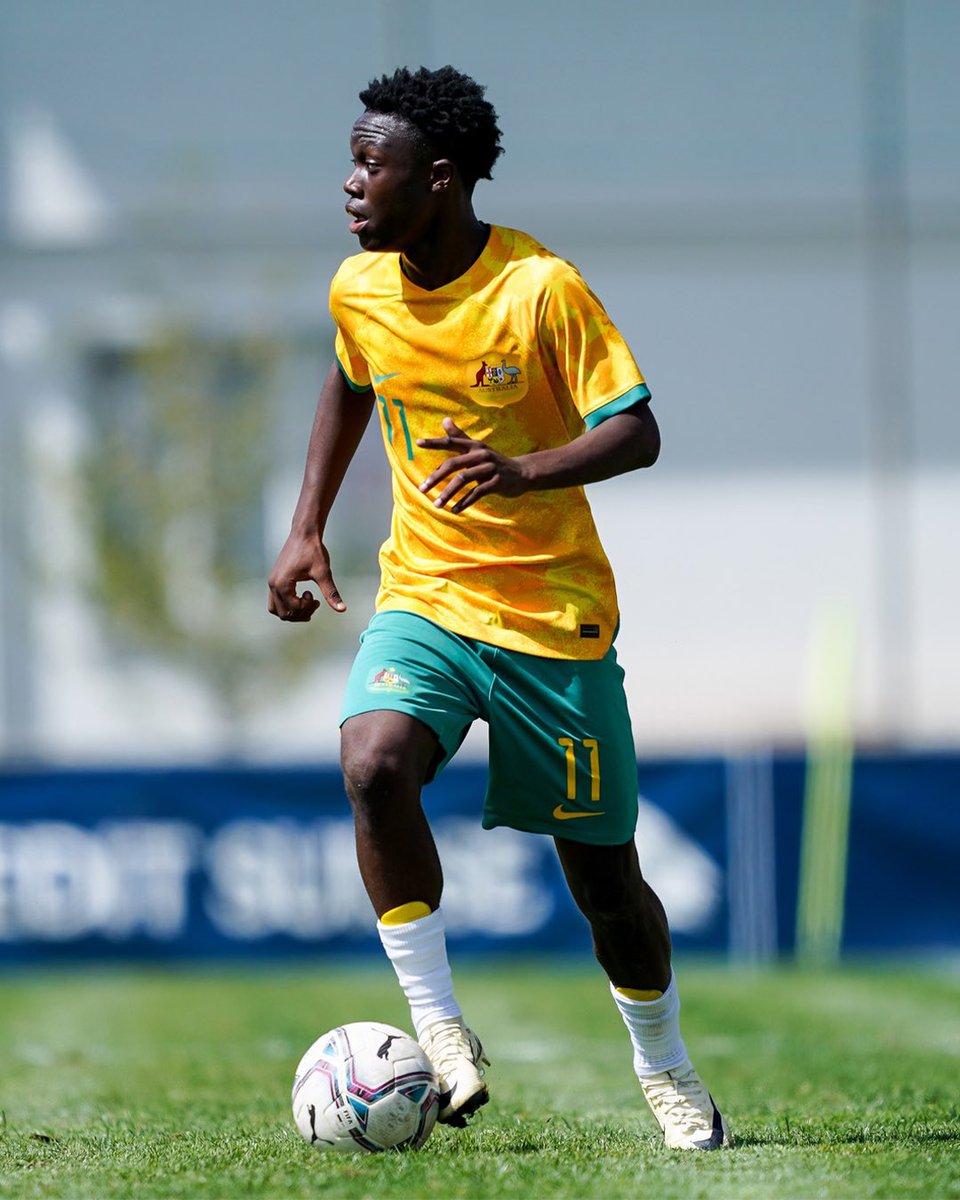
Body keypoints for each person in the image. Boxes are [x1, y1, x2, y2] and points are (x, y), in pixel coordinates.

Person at [268, 65, 729, 1151]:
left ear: (437, 179)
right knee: (372, 761)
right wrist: (305, 526)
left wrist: (525, 471)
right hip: (426, 593)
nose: (348, 185)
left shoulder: (539, 288)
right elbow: (351, 378)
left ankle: (666, 1068)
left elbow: (637, 429)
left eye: (368, 166)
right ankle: (439, 1030)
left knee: (607, 887)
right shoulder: (360, 287)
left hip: (549, 618)